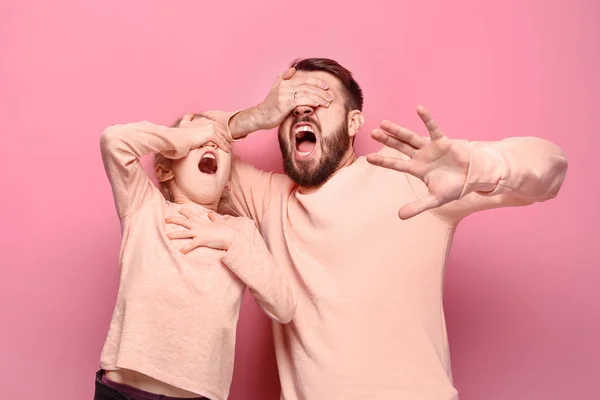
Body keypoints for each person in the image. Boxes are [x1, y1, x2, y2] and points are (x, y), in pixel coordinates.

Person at [172, 58, 568, 400]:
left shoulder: (411, 174)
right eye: (292, 103)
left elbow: (550, 166)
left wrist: (473, 167)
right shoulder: (267, 198)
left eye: (320, 100)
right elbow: (178, 144)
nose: (303, 110)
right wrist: (256, 115)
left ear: (352, 122)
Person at [96, 113, 297, 400]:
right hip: (122, 391)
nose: (211, 145)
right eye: (201, 140)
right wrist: (184, 137)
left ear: (227, 182)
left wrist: (230, 241)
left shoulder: (239, 231)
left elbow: (284, 305)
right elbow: (113, 141)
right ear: (166, 170)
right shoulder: (144, 206)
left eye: (219, 143)